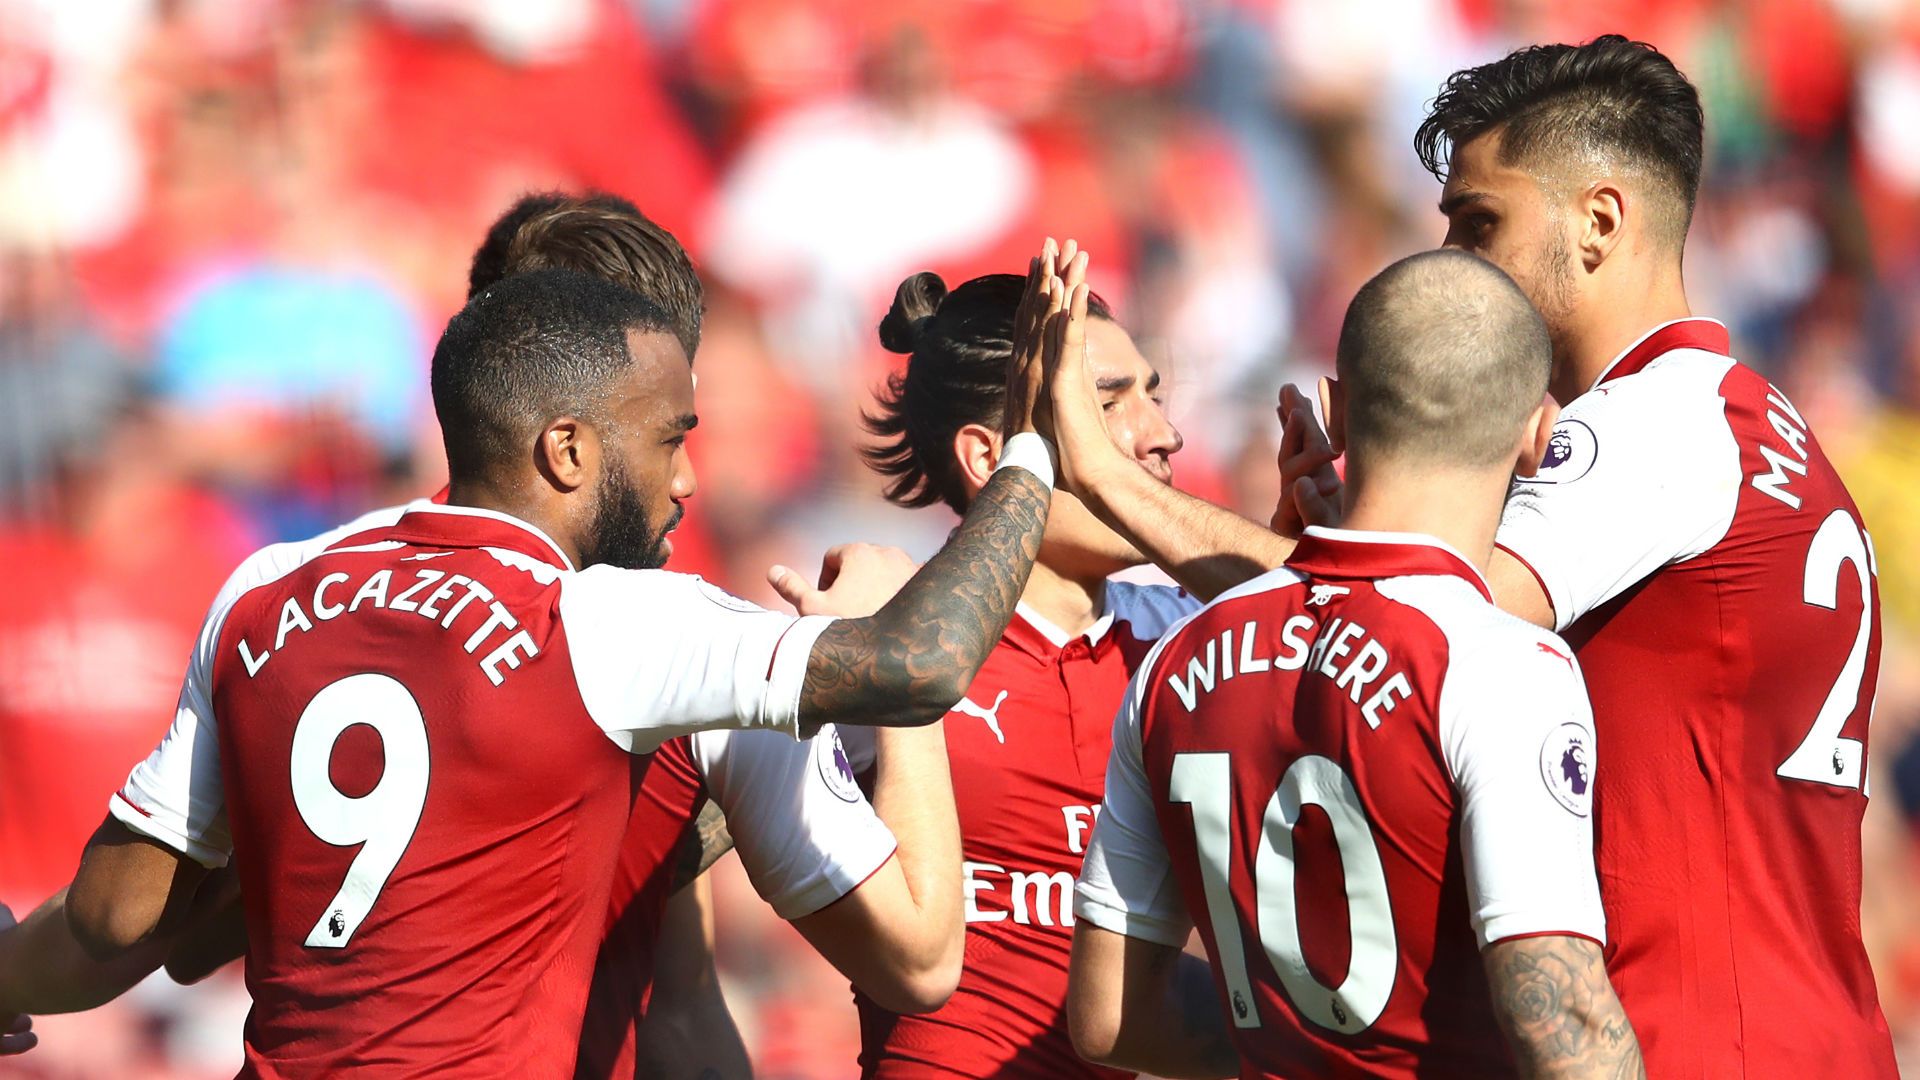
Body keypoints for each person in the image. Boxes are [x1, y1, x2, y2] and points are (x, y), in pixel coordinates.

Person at [0, 264, 1058, 1078]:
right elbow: (919, 667)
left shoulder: (266, 588)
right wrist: (1028, 453)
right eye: (669, 439)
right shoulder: (605, 622)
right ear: (567, 451)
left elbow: (110, 919)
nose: (688, 478)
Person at [1068, 249, 1643, 1079]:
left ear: (1334, 413)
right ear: (1537, 437)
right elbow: (1566, 1025)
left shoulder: (1175, 660)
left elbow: (1108, 1017)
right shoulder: (1504, 665)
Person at [812, 244, 1202, 1079]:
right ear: (990, 458)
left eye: (1155, 397)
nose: (1162, 436)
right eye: (1108, 404)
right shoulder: (880, 635)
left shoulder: (1198, 644)